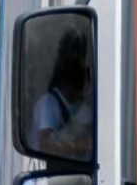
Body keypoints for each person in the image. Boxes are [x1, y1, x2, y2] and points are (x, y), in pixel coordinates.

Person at [32, 26, 96, 163]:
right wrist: (80, 145)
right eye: (75, 70)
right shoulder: (48, 104)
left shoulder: (84, 109)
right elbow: (46, 146)